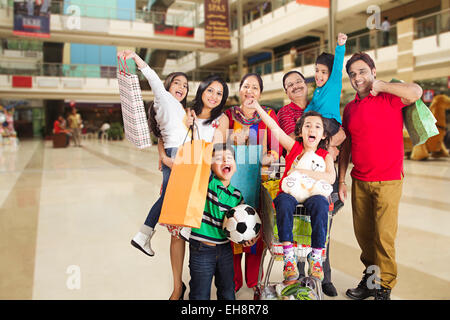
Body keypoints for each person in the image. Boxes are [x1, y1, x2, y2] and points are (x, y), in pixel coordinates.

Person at [338, 52, 422, 300]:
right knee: (365, 236)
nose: (357, 77)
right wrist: (342, 179)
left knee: (384, 236)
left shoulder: (389, 97)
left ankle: (384, 285)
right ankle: (371, 278)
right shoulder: (350, 109)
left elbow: (416, 91)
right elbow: (346, 146)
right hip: (360, 180)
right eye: (353, 74)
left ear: (373, 71)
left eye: (362, 71)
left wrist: (383, 85)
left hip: (389, 180)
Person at [250, 103, 335, 283]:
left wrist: (301, 172)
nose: (312, 129)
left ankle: (316, 256)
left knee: (321, 203)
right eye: (307, 125)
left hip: (312, 195)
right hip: (291, 193)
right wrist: (257, 107)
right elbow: (274, 127)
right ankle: (289, 257)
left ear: (324, 135)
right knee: (283, 201)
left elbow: (330, 177)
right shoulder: (294, 148)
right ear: (300, 132)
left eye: (317, 127)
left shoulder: (324, 155)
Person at [218, 73, 281, 293]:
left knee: (256, 232)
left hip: (258, 182)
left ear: (260, 93)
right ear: (240, 89)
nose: (250, 91)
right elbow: (219, 140)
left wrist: (271, 155)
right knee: (233, 229)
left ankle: (254, 281)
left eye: (255, 87)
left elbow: (276, 143)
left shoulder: (268, 114)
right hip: (232, 182)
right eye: (246, 86)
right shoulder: (229, 115)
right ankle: (233, 280)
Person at [277, 70, 338, 297]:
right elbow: (276, 133)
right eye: (289, 84)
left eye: (298, 82)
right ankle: (291, 262)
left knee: (321, 212)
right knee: (285, 206)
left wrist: (307, 169)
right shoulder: (287, 123)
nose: (295, 86)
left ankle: (319, 263)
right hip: (293, 187)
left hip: (317, 187)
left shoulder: (319, 107)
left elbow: (330, 176)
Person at [186, 143, 256, 300]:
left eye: (229, 158)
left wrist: (247, 239)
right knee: (199, 294)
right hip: (201, 247)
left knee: (227, 291)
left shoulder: (237, 196)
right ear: (210, 165)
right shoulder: (207, 183)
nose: (225, 161)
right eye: (219, 159)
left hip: (225, 249)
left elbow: (242, 228)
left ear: (236, 166)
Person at [304, 32, 347, 161]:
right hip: (320, 122)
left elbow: (338, 65)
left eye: (323, 72)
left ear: (331, 74)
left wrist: (340, 46)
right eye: (317, 71)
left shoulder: (333, 83)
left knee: (318, 143)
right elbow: (312, 106)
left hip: (330, 122)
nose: (319, 75)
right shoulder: (317, 91)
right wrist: (303, 118)